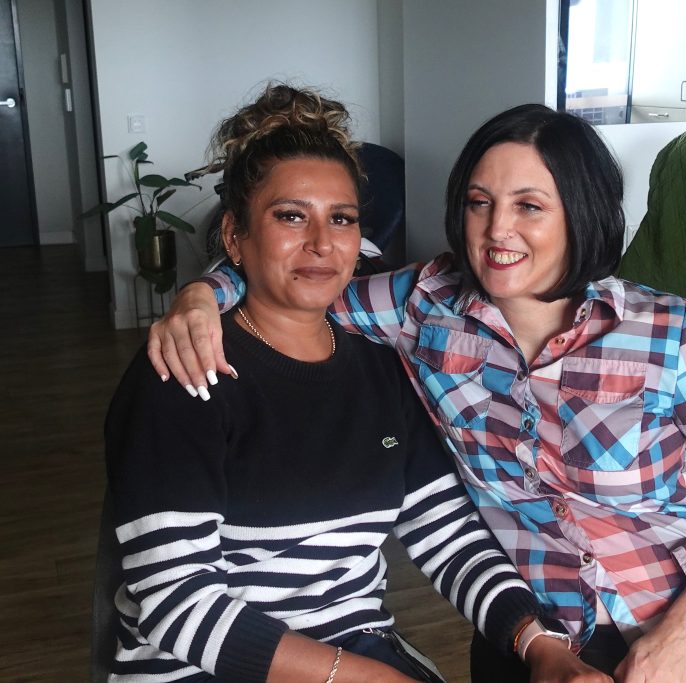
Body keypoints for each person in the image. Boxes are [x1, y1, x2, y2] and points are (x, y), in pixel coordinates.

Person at [147, 102, 686, 683]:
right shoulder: (424, 306)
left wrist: (685, 629)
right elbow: (302, 274)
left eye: (529, 206)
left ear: (580, 214)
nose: (497, 230)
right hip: (543, 628)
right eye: (480, 203)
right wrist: (204, 292)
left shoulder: (670, 338)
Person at [106, 85, 606, 683]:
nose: (321, 244)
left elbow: (446, 533)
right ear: (235, 236)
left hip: (355, 649)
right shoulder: (185, 369)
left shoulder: (383, 363)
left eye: (340, 219)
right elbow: (176, 601)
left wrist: (538, 643)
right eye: (291, 216)